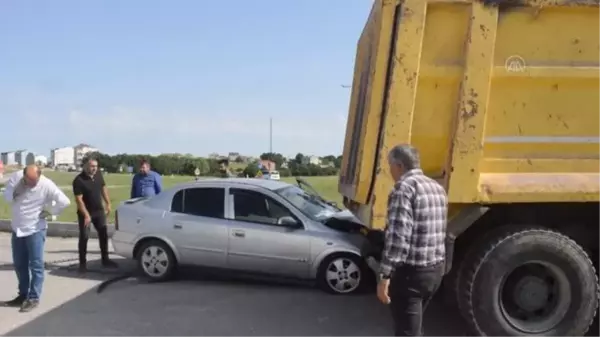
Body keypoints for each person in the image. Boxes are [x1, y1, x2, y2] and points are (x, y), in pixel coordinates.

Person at [376, 145, 448, 337]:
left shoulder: (403, 189)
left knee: (407, 332)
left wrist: (384, 275)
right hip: (435, 271)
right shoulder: (437, 188)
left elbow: (399, 238)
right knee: (414, 327)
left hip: (411, 275)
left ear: (399, 165)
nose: (389, 171)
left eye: (390, 166)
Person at [1, 165, 70, 312]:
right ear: (23, 175)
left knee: (36, 265)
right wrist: (16, 191)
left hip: (35, 229)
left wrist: (50, 213)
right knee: (20, 264)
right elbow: (6, 197)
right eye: (29, 180)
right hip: (17, 229)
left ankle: (33, 298)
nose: (32, 184)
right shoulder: (16, 179)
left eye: (35, 181)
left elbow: (64, 202)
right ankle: (23, 295)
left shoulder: (46, 184)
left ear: (39, 176)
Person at [72, 157, 117, 272]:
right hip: (85, 213)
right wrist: (86, 215)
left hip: (99, 211)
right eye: (92, 166)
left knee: (103, 234)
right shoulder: (78, 180)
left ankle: (105, 259)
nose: (94, 169)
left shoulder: (98, 175)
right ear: (86, 166)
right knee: (84, 237)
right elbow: (79, 200)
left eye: (96, 166)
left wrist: (108, 203)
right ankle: (82, 264)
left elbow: (103, 188)